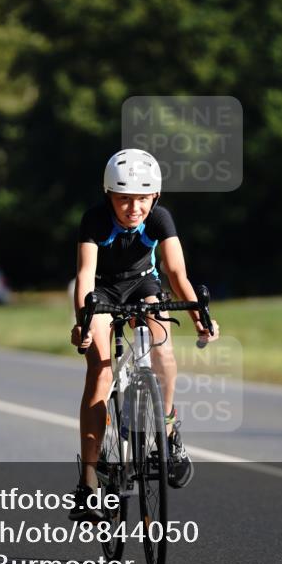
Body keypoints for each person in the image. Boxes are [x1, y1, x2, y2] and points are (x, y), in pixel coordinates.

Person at [69, 149, 219, 520]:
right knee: (100, 371)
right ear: (109, 196)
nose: (133, 208)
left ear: (155, 197)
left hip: (142, 284)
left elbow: (176, 273)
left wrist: (201, 316)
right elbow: (86, 275)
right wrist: (83, 322)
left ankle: (167, 431)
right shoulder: (95, 220)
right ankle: (88, 483)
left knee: (163, 348)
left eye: (142, 198)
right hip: (101, 291)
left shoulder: (160, 220)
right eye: (123, 199)